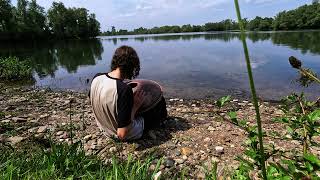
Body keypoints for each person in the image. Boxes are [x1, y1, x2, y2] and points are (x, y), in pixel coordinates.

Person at [89, 45, 167, 141]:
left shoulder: (97, 77)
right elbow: (122, 134)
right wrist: (135, 106)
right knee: (159, 104)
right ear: (132, 67)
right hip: (120, 132)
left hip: (104, 126)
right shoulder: (123, 90)